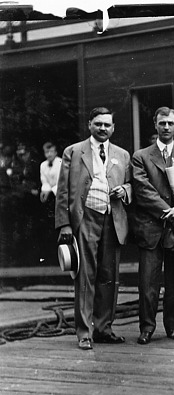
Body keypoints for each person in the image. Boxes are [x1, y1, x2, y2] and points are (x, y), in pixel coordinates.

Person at [55, 107, 132, 350]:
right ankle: (84, 332)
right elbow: (63, 191)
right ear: (90, 124)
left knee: (109, 276)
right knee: (85, 276)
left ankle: (103, 329)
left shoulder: (122, 154)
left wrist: (125, 191)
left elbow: (132, 184)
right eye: (98, 124)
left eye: (107, 125)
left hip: (112, 218)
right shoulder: (74, 152)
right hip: (85, 216)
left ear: (113, 128)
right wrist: (65, 223)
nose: (102, 128)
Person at [131, 107, 174, 345]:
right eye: (162, 123)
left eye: (170, 123)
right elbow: (142, 189)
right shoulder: (141, 156)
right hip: (152, 227)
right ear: (155, 124)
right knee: (148, 282)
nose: (166, 127)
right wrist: (167, 209)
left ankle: (172, 326)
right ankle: (147, 328)